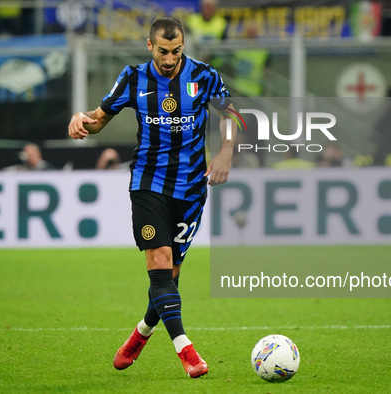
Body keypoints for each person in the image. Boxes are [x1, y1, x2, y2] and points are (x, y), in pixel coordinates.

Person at [68, 17, 236, 378]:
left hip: (191, 189)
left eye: (176, 51)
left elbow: (230, 114)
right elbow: (99, 119)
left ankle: (140, 334)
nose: (170, 58)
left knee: (170, 276)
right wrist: (80, 118)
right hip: (148, 183)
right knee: (159, 263)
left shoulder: (204, 75)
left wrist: (225, 153)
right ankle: (187, 352)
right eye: (163, 51)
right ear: (150, 46)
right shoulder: (133, 77)